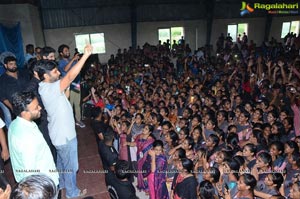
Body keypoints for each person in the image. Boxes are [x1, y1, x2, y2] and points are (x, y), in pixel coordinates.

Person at [36, 44, 92, 198]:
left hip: (59, 135)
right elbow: (69, 76)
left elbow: (64, 97)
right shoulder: (49, 88)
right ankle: (72, 193)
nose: (58, 72)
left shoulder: (47, 86)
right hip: (65, 137)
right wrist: (85, 56)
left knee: (62, 164)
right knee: (71, 166)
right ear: (46, 75)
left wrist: (66, 86)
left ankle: (60, 184)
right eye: (54, 71)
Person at [8, 91, 58, 186]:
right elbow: (30, 172)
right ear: (24, 113)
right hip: (43, 185)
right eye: (36, 108)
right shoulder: (27, 138)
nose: (40, 108)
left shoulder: (15, 124)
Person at [57, 44, 85, 128]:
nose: (68, 52)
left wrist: (80, 61)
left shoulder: (71, 60)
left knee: (77, 104)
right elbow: (65, 69)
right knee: (69, 105)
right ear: (61, 53)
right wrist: (73, 59)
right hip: (68, 86)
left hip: (76, 84)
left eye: (68, 50)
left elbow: (79, 68)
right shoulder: (61, 62)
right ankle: (69, 121)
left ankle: (78, 120)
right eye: (65, 51)